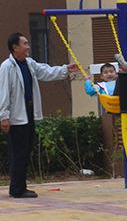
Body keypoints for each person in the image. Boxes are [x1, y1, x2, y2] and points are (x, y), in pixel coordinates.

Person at [0, 33, 77, 198]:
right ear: (15, 47)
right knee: (18, 152)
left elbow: (46, 72)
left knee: (26, 151)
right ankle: (17, 189)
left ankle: (20, 186)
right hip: (16, 117)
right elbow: (3, 92)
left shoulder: (29, 63)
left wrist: (65, 69)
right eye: (25, 44)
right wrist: (4, 116)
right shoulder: (7, 67)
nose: (28, 47)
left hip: (28, 113)